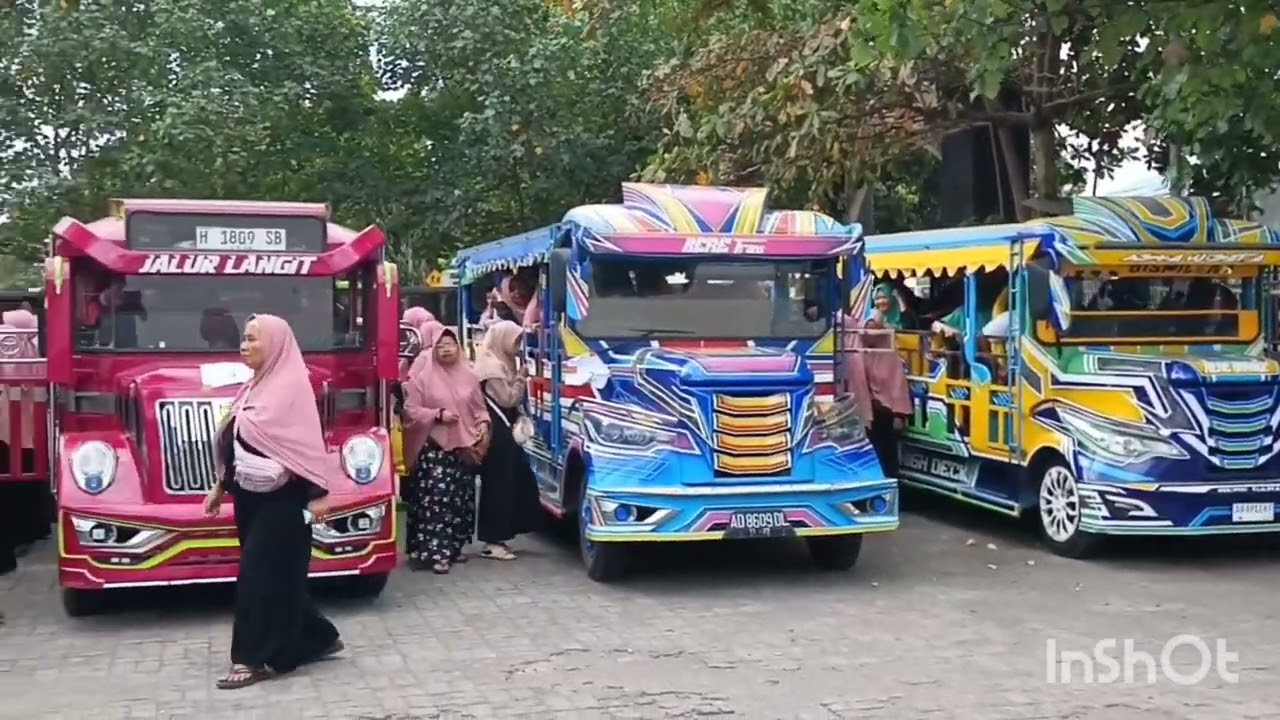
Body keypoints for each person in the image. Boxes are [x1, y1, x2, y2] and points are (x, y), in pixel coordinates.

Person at [203, 314, 343, 690]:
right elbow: (239, 439)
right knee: (280, 577)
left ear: (276, 343)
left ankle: (250, 659)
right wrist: (221, 486)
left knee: (256, 576)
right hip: (249, 497)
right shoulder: (253, 387)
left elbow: (308, 446)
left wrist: (318, 494)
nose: (244, 346)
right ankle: (317, 637)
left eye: (252, 339)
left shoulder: (293, 389)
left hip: (286, 500)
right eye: (244, 339)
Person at [402, 323, 491, 574]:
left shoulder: (469, 376)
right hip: (434, 449)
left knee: (460, 500)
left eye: (450, 345)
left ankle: (454, 547)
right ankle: (435, 553)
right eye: (440, 346)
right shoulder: (423, 377)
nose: (445, 350)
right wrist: (438, 415)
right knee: (435, 500)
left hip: (462, 448)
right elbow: (411, 410)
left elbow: (480, 409)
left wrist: (483, 423)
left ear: (458, 347)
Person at [472, 321, 542, 560]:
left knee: (514, 481)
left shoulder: (501, 362)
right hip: (498, 434)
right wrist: (521, 379)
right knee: (498, 486)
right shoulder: (491, 367)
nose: (518, 345)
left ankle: (502, 536)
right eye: (515, 340)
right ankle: (493, 541)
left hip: (504, 431)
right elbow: (508, 399)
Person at [844, 316, 912, 478]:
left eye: (874, 329)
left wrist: (898, 415)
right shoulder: (857, 355)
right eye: (866, 330)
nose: (869, 334)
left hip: (886, 414)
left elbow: (898, 388)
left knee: (887, 453)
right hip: (865, 414)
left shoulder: (889, 357)